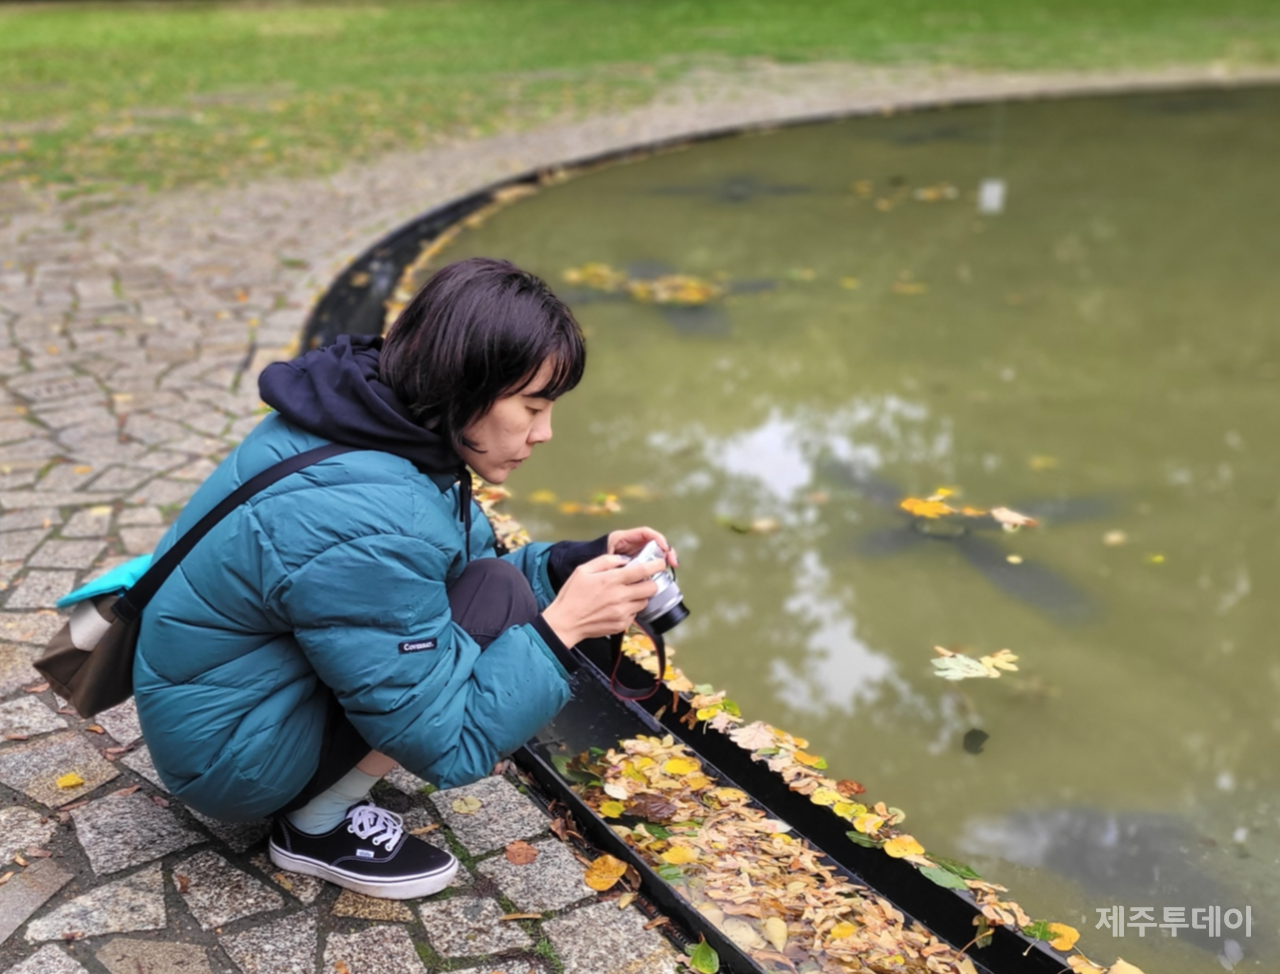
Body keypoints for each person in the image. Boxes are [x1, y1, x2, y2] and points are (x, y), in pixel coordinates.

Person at [128, 257, 676, 899]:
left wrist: (572, 561)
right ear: (465, 385)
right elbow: (449, 744)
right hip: (228, 758)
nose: (545, 432)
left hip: (219, 695)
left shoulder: (376, 421)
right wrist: (562, 631)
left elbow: (456, 576)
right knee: (491, 607)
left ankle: (318, 782)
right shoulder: (371, 512)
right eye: (531, 406)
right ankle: (313, 828)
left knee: (496, 586)